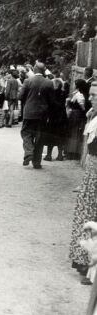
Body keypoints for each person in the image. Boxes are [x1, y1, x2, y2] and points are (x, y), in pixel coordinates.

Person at [69, 81, 97, 285]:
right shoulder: (93, 115)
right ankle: (86, 263)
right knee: (87, 214)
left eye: (96, 95)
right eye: (92, 94)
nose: (92, 98)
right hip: (92, 174)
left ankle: (91, 266)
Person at [18, 61, 54, 169]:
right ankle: (37, 162)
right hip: (42, 114)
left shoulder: (28, 81)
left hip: (29, 112)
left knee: (26, 132)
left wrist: (28, 101)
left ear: (34, 70)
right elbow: (51, 100)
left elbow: (20, 96)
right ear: (43, 71)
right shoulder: (49, 83)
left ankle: (29, 152)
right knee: (39, 137)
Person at [43, 78, 68, 161]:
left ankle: (49, 155)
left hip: (53, 117)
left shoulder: (51, 94)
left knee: (51, 136)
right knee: (60, 136)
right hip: (62, 117)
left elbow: (48, 106)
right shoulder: (64, 93)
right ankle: (60, 155)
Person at [65, 79, 87, 160]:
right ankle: (71, 152)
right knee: (73, 133)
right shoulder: (77, 94)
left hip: (76, 115)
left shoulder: (79, 95)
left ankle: (72, 153)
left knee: (74, 133)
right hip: (74, 114)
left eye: (75, 84)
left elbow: (82, 107)